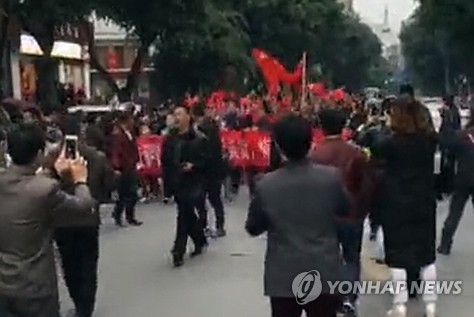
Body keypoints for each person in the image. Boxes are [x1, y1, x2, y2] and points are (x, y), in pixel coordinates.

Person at [245, 114, 349, 317]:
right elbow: (345, 209)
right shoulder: (331, 178)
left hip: (283, 275)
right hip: (323, 271)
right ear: (310, 142)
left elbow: (253, 227)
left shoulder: (265, 185)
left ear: (278, 146)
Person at [0, 123, 95, 317]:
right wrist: (80, 180)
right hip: (35, 286)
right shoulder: (45, 189)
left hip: (4, 282)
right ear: (38, 153)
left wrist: (51, 171)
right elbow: (83, 207)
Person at [371, 98, 438, 317]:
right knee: (426, 253)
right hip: (424, 201)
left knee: (398, 255)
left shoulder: (390, 143)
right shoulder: (429, 141)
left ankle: (400, 305)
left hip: (396, 202)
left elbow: (374, 151)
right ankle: (430, 304)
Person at [311, 108, 373, 316]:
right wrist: (361, 211)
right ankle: (348, 299)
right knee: (351, 258)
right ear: (343, 125)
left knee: (328, 258)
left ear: (321, 126)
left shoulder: (314, 154)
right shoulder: (355, 152)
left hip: (323, 215)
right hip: (351, 214)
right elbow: (365, 186)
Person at [54, 125, 114, 317]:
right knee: (88, 263)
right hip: (88, 216)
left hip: (62, 218)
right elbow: (109, 183)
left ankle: (78, 300)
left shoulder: (54, 158)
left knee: (69, 264)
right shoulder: (96, 157)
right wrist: (97, 198)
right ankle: (86, 306)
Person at [161, 105, 208, 267]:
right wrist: (166, 187)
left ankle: (178, 250)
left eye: (180, 114)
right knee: (187, 214)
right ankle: (199, 239)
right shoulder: (170, 139)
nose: (177, 117)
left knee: (183, 214)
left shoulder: (199, 138)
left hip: (194, 181)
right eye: (175, 114)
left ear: (188, 117)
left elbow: (207, 160)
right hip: (177, 181)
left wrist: (193, 166)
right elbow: (165, 162)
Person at [438, 110, 474, 255]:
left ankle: (445, 245)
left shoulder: (462, 136)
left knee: (454, 213)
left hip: (463, 179)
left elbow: (450, 156)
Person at [193, 103, 227, 238]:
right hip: (212, 168)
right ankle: (218, 226)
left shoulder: (200, 130)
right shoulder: (213, 128)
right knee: (214, 199)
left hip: (204, 169)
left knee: (203, 200)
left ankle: (206, 225)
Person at [110, 112, 143, 227]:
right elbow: (116, 151)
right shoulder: (118, 135)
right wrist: (117, 167)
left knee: (131, 193)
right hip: (123, 168)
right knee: (124, 194)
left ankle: (129, 216)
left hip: (131, 166)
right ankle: (118, 214)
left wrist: (137, 159)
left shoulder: (130, 134)